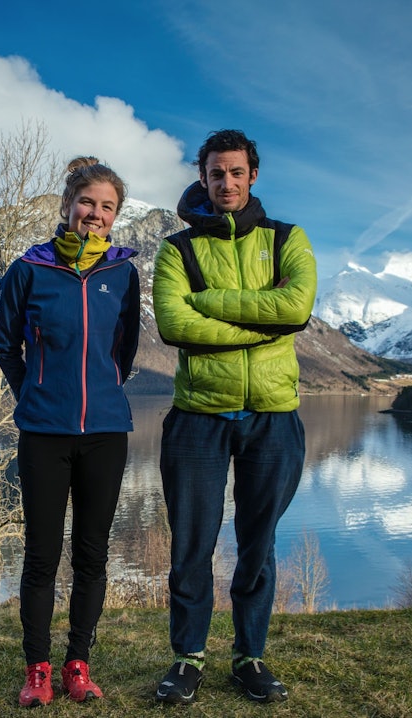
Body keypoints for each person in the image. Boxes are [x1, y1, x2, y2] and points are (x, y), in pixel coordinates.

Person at [151, 129, 316, 705]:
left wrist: (208, 303)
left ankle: (250, 657)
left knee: (258, 543)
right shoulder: (177, 249)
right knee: (190, 545)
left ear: (253, 176)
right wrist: (263, 328)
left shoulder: (287, 238)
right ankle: (187, 659)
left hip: (273, 416)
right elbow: (174, 324)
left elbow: (296, 306)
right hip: (198, 415)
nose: (226, 182)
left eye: (236, 172)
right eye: (216, 173)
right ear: (202, 177)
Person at [0, 157, 141, 708]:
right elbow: (6, 343)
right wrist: (33, 393)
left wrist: (105, 390)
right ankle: (37, 669)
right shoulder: (28, 270)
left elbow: (124, 349)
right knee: (41, 555)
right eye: (87, 202)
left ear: (115, 215)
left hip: (106, 433)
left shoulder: (123, 275)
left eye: (107, 207)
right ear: (67, 205)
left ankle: (78, 664)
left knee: (92, 555)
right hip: (44, 433)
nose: (96, 214)